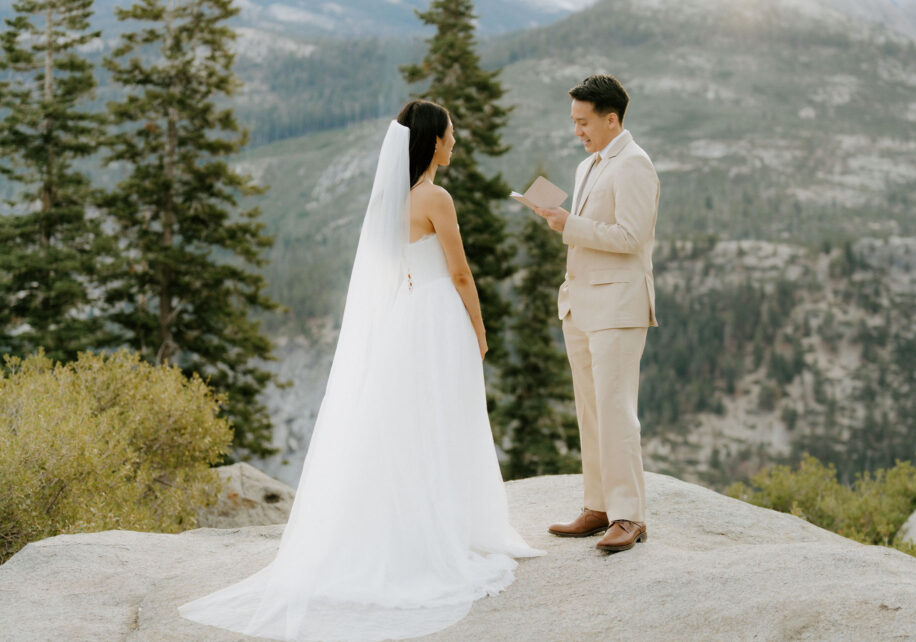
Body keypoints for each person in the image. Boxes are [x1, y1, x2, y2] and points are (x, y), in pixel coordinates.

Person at [179, 100, 543, 642]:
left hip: (405, 317)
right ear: (433, 142)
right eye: (450, 134)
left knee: (407, 427)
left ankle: (412, 527)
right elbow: (461, 273)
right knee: (447, 419)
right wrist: (480, 329)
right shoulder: (436, 197)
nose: (455, 142)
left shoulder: (390, 199)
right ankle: (447, 529)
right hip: (440, 316)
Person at [534, 74, 659, 553]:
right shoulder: (588, 165)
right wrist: (562, 221)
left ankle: (629, 516)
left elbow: (631, 237)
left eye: (583, 122)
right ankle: (599, 505)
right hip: (580, 304)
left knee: (616, 410)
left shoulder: (635, 164)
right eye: (574, 122)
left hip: (618, 307)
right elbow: (589, 231)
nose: (577, 131)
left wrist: (569, 224)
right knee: (589, 410)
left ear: (611, 119)